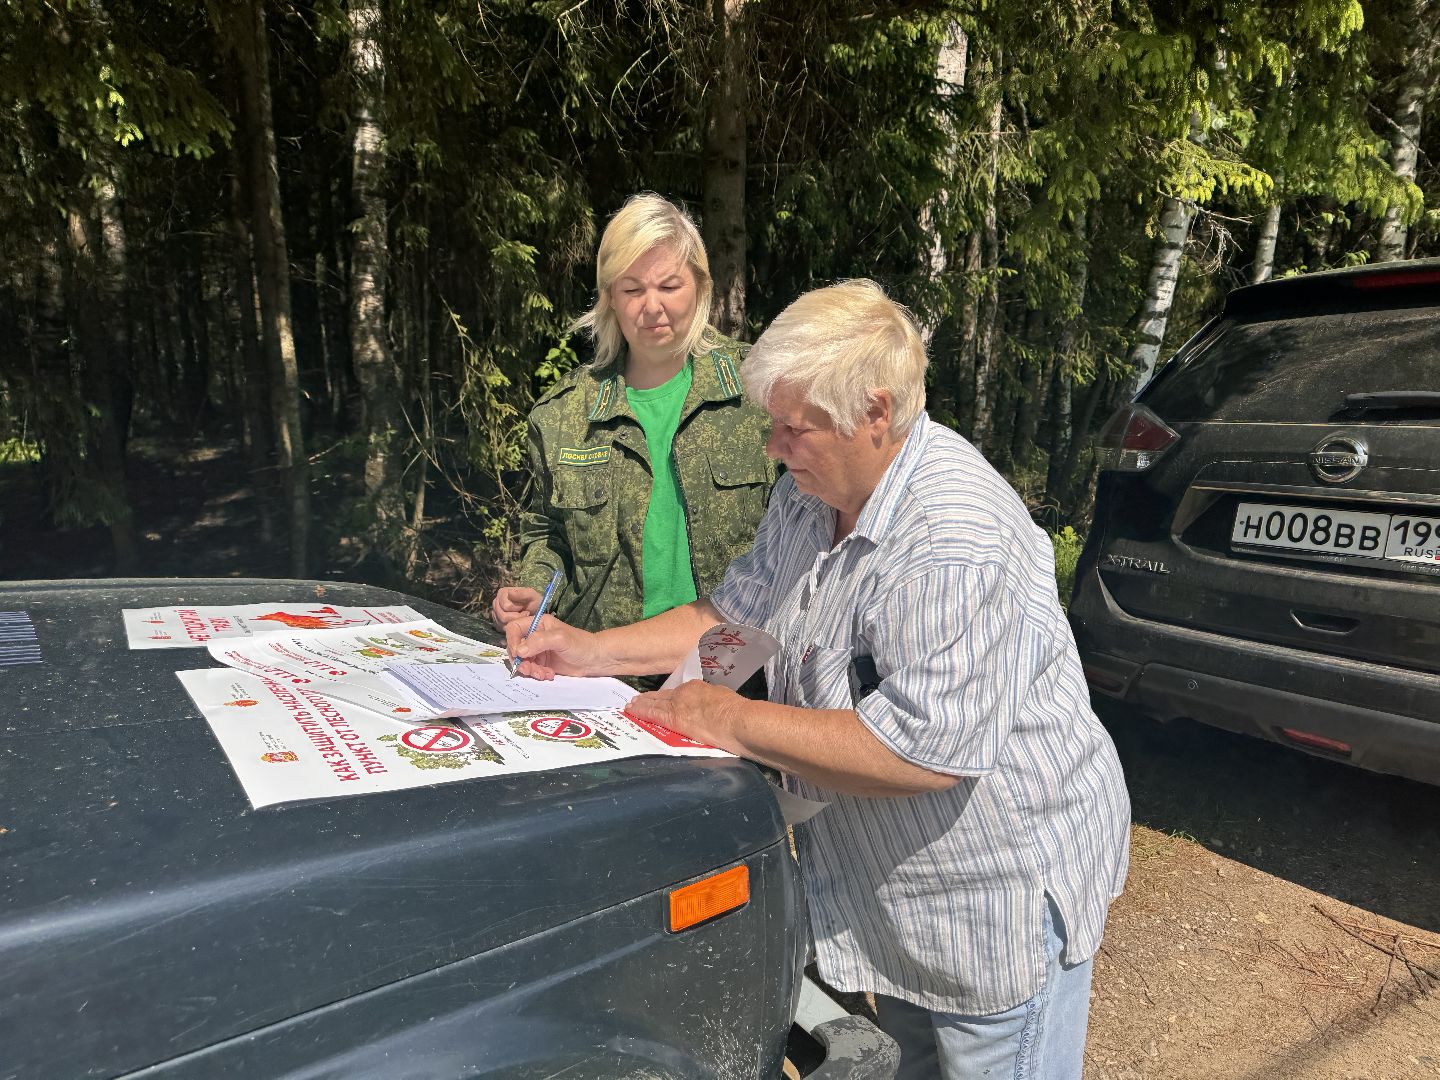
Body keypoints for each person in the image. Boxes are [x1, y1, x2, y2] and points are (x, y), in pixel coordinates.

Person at [507, 279, 1131, 1079]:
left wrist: (724, 718)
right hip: (898, 887)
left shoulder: (952, 539)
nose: (773, 446)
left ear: (875, 413)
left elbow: (921, 753)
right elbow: (730, 614)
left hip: (992, 893)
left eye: (793, 427)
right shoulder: (814, 493)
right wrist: (587, 650)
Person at [491, 193, 776, 635]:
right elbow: (547, 535)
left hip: (733, 669)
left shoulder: (760, 392)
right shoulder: (565, 415)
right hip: (602, 670)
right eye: (632, 289)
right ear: (610, 298)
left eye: (669, 286)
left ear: (700, 287)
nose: (652, 307)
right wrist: (534, 586)